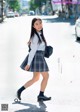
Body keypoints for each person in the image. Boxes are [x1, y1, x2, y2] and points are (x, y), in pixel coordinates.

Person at [17, 18, 51, 101]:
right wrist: (28, 63)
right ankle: (41, 95)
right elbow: (32, 51)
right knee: (46, 76)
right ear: (33, 26)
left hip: (39, 57)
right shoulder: (35, 36)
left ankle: (20, 90)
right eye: (36, 24)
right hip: (38, 58)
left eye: (40, 23)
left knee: (36, 78)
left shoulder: (39, 34)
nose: (39, 25)